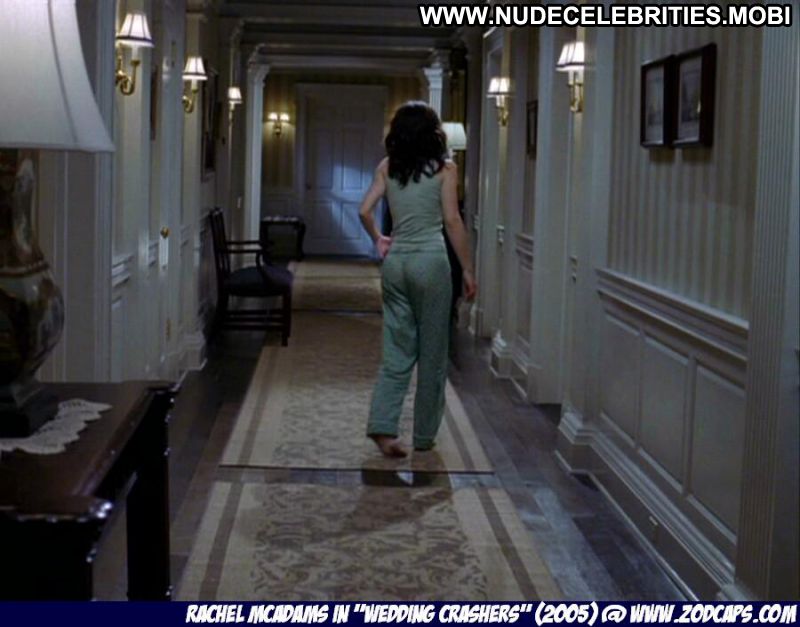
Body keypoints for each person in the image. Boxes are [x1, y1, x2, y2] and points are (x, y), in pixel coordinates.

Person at [358, 101, 477, 458]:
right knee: (433, 354)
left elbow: (364, 211)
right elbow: (452, 221)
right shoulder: (445, 169)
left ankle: (383, 426)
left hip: (396, 264)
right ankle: (424, 436)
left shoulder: (387, 167)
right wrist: (468, 268)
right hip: (431, 264)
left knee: (396, 349)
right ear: (433, 133)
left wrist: (379, 238)